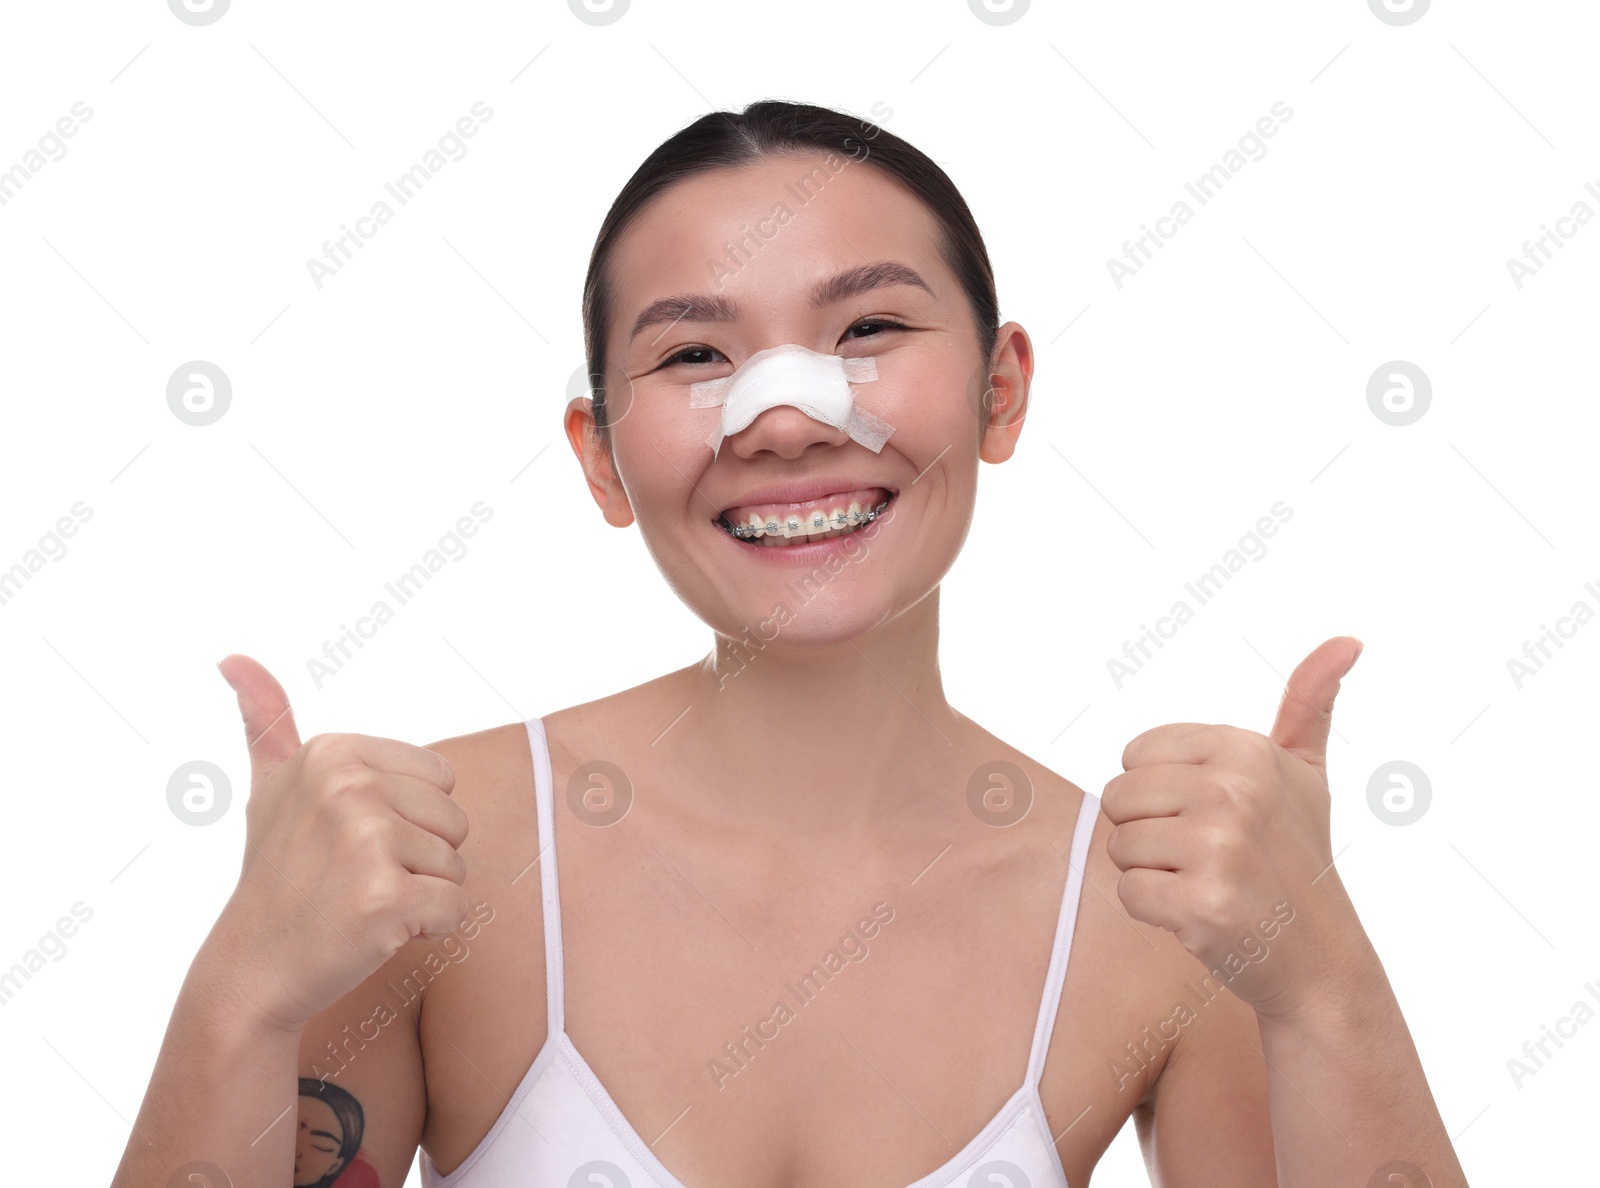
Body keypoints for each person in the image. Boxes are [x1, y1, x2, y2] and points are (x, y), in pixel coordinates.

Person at [112, 99, 1467, 1188]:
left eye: (869, 328)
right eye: (696, 354)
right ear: (601, 459)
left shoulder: (1163, 913)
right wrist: (243, 991)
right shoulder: (427, 858)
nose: (786, 414)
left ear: (1001, 389)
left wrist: (1326, 980)